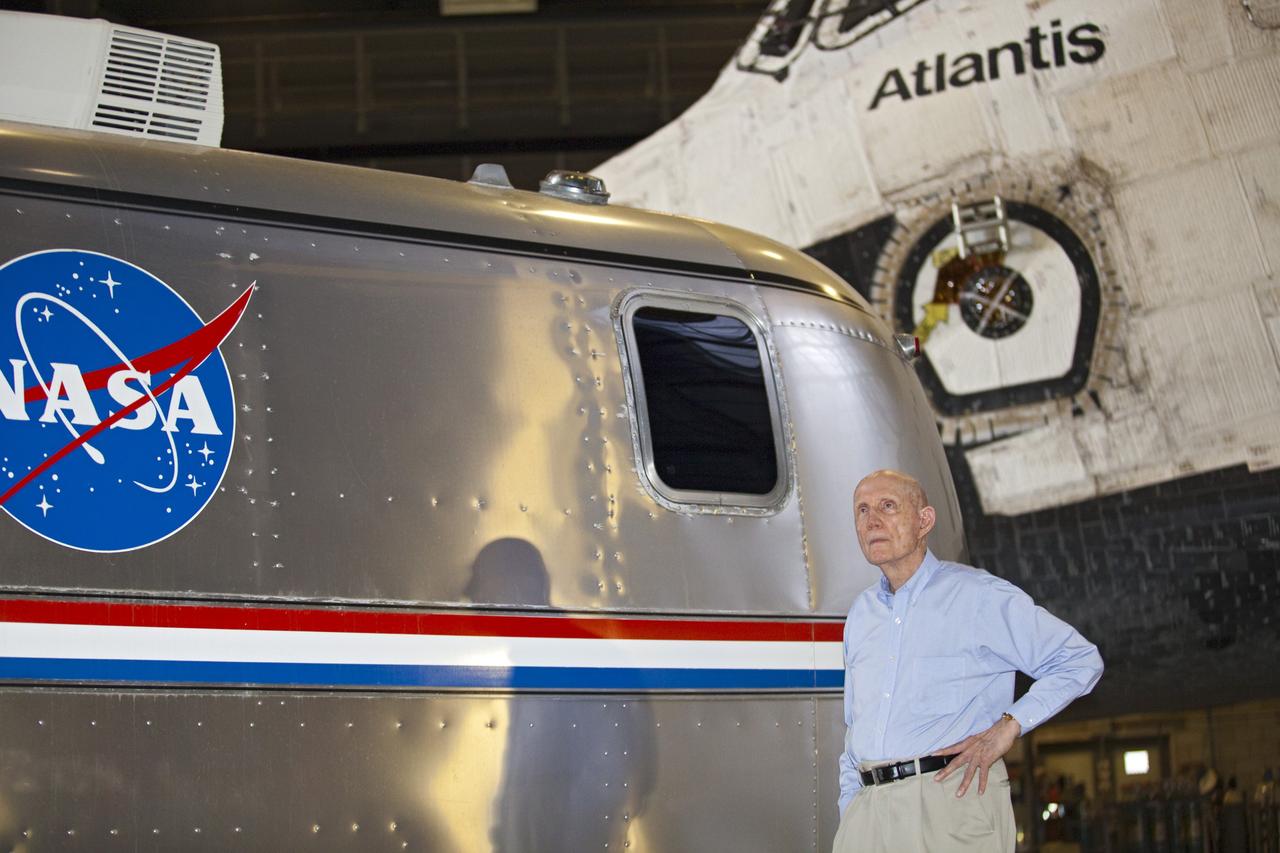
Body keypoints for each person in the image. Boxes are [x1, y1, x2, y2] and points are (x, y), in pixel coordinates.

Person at [833, 469, 1103, 853]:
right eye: (861, 510)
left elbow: (1079, 660)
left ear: (924, 521)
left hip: (950, 805)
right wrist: (851, 812)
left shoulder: (978, 595)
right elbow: (853, 726)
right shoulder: (861, 615)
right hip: (868, 816)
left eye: (887, 507)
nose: (871, 520)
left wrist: (1007, 728)